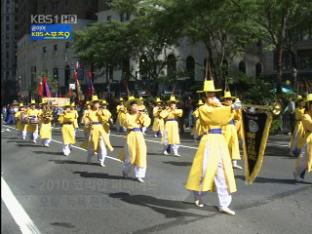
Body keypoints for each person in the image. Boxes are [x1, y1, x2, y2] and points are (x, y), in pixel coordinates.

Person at [185, 80, 239, 216]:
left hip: (220, 140)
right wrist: (230, 108)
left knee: (223, 172)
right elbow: (214, 118)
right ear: (204, 97)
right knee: (205, 171)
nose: (213, 96)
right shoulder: (203, 108)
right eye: (209, 94)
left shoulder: (219, 107)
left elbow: (225, 119)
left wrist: (231, 109)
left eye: (214, 94)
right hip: (209, 140)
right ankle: (197, 193)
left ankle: (224, 204)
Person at [119, 97, 151, 183]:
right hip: (131, 135)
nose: (136, 107)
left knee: (142, 154)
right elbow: (126, 124)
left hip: (139, 135)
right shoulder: (127, 115)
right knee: (130, 156)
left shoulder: (141, 115)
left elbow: (147, 123)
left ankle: (139, 175)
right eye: (133, 106)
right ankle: (125, 171)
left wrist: (142, 117)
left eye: (136, 106)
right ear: (129, 107)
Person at [85, 95, 114, 167]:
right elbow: (86, 122)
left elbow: (106, 119)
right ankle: (89, 158)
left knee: (102, 146)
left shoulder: (102, 111)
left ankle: (101, 161)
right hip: (93, 129)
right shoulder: (89, 112)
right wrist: (89, 123)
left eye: (98, 103)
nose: (97, 104)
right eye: (95, 103)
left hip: (101, 129)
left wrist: (101, 114)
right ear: (92, 104)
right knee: (92, 146)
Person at [293, 93, 312, 181]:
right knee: (303, 158)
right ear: (308, 105)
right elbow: (310, 126)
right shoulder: (305, 116)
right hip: (309, 139)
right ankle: (298, 173)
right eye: (311, 103)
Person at [222, 91, 243, 170]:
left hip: (232, 127)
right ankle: (222, 162)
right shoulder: (222, 107)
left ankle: (234, 163)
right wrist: (233, 107)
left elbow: (238, 117)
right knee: (225, 145)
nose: (230, 100)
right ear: (224, 100)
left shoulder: (233, 107)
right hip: (225, 127)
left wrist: (238, 109)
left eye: (231, 99)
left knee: (235, 144)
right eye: (228, 99)